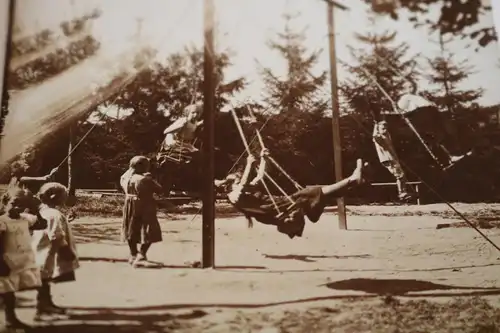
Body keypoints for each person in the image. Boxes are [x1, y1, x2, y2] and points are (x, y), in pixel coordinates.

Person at [215, 150, 368, 239]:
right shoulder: (234, 196)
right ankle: (351, 179)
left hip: (277, 204)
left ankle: (352, 182)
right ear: (230, 185)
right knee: (310, 192)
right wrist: (248, 164)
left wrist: (263, 159)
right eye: (237, 180)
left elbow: (260, 176)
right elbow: (241, 185)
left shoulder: (246, 188)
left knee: (313, 193)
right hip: (271, 210)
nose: (241, 180)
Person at [0, 188, 47, 330]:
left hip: (17, 262)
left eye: (21, 205)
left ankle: (10, 319)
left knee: (10, 294)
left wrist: (35, 207)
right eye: (14, 203)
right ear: (5, 202)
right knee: (7, 293)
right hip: (4, 262)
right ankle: (9, 319)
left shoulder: (25, 218)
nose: (17, 207)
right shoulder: (2, 221)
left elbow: (42, 224)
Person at [32, 182, 79, 322]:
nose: (65, 199)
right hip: (49, 252)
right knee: (45, 278)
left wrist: (66, 220)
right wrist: (65, 250)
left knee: (44, 279)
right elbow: (56, 234)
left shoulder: (43, 212)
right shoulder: (54, 214)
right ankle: (42, 308)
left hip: (41, 250)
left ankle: (47, 303)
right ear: (54, 197)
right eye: (64, 196)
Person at [396, 82, 472, 168]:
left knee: (444, 131)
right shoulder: (406, 97)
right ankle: (448, 157)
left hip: (429, 115)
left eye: (412, 87)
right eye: (408, 87)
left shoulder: (417, 96)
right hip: (421, 116)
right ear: (404, 89)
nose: (411, 89)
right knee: (436, 134)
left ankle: (453, 154)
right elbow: (402, 107)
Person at [120, 156, 163, 267]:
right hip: (144, 205)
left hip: (129, 203)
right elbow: (159, 189)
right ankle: (142, 255)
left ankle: (133, 254)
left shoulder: (125, 177)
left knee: (131, 228)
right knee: (149, 229)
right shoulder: (144, 179)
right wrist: (152, 179)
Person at [372, 112, 414, 202]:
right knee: (400, 175)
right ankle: (401, 193)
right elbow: (375, 136)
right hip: (388, 159)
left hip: (392, 158)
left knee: (402, 176)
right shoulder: (379, 138)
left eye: (386, 128)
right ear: (379, 129)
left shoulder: (386, 136)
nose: (385, 129)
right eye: (383, 128)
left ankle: (403, 192)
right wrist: (375, 126)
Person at [157, 101, 204, 167]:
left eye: (198, 113)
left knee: (199, 154)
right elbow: (166, 131)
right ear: (188, 113)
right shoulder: (183, 120)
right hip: (175, 143)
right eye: (193, 113)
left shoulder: (195, 123)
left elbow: (194, 126)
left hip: (187, 145)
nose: (195, 115)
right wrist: (179, 126)